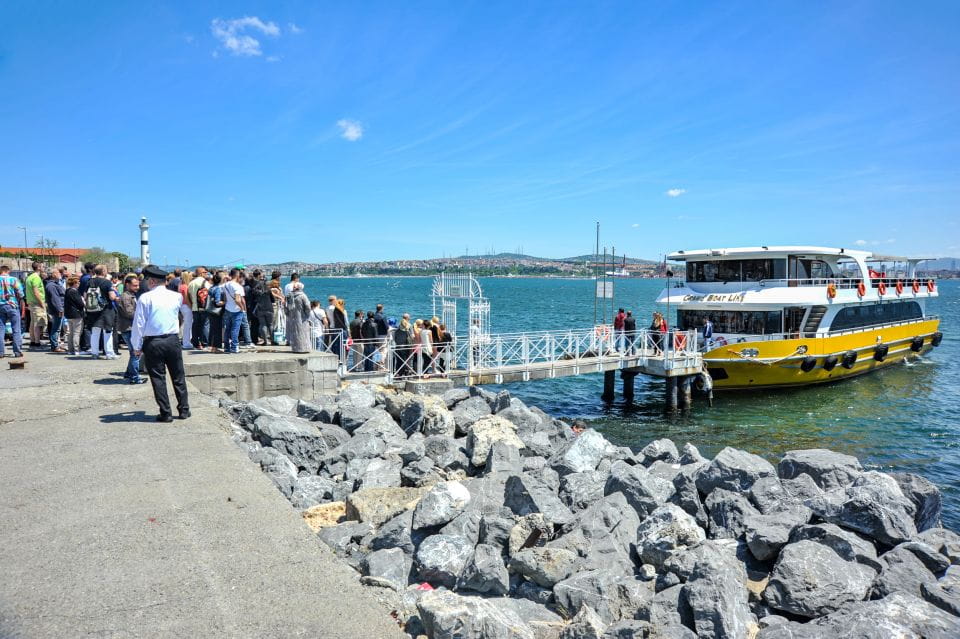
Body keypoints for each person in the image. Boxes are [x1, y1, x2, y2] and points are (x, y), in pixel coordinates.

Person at [131, 265, 190, 422]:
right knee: (178, 376)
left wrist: (136, 346)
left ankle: (166, 413)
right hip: (172, 339)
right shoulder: (176, 296)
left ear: (151, 281)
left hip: (153, 341)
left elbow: (139, 324)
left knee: (158, 378)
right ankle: (184, 409)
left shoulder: (145, 298)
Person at [83, 265, 119, 359]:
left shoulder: (89, 282)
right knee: (107, 331)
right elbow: (111, 297)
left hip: (92, 310)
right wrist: (116, 297)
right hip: (106, 310)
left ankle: (95, 353)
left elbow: (85, 296)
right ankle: (109, 353)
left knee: (95, 332)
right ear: (103, 272)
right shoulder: (107, 282)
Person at [116, 275, 145, 384]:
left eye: (138, 285)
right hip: (129, 328)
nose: (137, 287)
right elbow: (129, 313)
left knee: (133, 352)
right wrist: (142, 318)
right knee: (135, 353)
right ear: (127, 285)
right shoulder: (126, 297)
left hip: (131, 328)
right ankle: (134, 377)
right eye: (135, 285)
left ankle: (129, 373)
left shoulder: (131, 295)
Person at [0, 264, 24, 358]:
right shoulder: (13, 279)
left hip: (0, 306)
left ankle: (1, 352)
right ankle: (17, 351)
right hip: (12, 305)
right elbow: (21, 293)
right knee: (16, 329)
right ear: (8, 271)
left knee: (1, 329)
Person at [223, 268, 246, 354]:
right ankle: (234, 346)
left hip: (228, 308)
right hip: (236, 310)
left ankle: (226, 347)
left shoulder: (225, 285)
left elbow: (225, 298)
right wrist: (242, 308)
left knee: (227, 329)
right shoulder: (237, 286)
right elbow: (237, 300)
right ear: (237, 275)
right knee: (235, 329)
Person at [284, 282, 312, 353]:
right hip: (302, 317)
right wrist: (307, 315)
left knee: (295, 333)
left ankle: (295, 348)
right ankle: (304, 348)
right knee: (303, 333)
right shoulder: (303, 296)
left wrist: (288, 314)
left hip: (292, 317)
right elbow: (308, 307)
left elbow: (285, 306)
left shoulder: (289, 296)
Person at [24, 261, 47, 349]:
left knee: (32, 323)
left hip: (31, 302)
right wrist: (42, 303)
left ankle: (33, 340)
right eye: (42, 266)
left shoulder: (29, 277)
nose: (43, 268)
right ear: (38, 268)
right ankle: (37, 342)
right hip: (37, 303)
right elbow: (36, 291)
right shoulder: (36, 277)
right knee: (38, 323)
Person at [187, 267, 209, 349]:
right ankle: (205, 342)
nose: (206, 273)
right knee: (205, 325)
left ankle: (195, 342)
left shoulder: (191, 283)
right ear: (201, 273)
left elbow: (188, 295)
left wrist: (192, 305)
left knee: (195, 325)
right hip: (204, 307)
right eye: (205, 272)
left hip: (194, 307)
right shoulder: (205, 282)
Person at [45, 269, 66, 352]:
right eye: (58, 273)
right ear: (53, 275)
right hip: (57, 310)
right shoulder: (51, 286)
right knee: (56, 328)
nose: (60, 274)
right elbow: (55, 299)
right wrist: (60, 309)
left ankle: (56, 345)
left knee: (57, 328)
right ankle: (54, 346)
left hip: (59, 309)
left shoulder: (54, 284)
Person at [63, 276, 84, 356]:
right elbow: (80, 303)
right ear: (74, 283)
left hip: (69, 314)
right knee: (76, 333)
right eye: (78, 282)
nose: (79, 284)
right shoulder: (74, 291)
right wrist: (82, 301)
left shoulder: (67, 290)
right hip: (76, 314)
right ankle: (77, 349)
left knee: (71, 333)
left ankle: (70, 349)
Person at [206, 272, 226, 353]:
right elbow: (218, 302)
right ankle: (215, 347)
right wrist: (225, 302)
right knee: (217, 329)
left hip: (210, 310)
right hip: (216, 311)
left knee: (212, 329)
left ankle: (211, 346)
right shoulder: (218, 288)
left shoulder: (211, 288)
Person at [178, 271, 193, 349]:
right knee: (188, 325)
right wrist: (191, 307)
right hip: (186, 306)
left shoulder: (180, 286)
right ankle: (186, 342)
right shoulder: (185, 287)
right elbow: (187, 299)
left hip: (182, 306)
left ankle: (186, 341)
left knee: (187, 325)